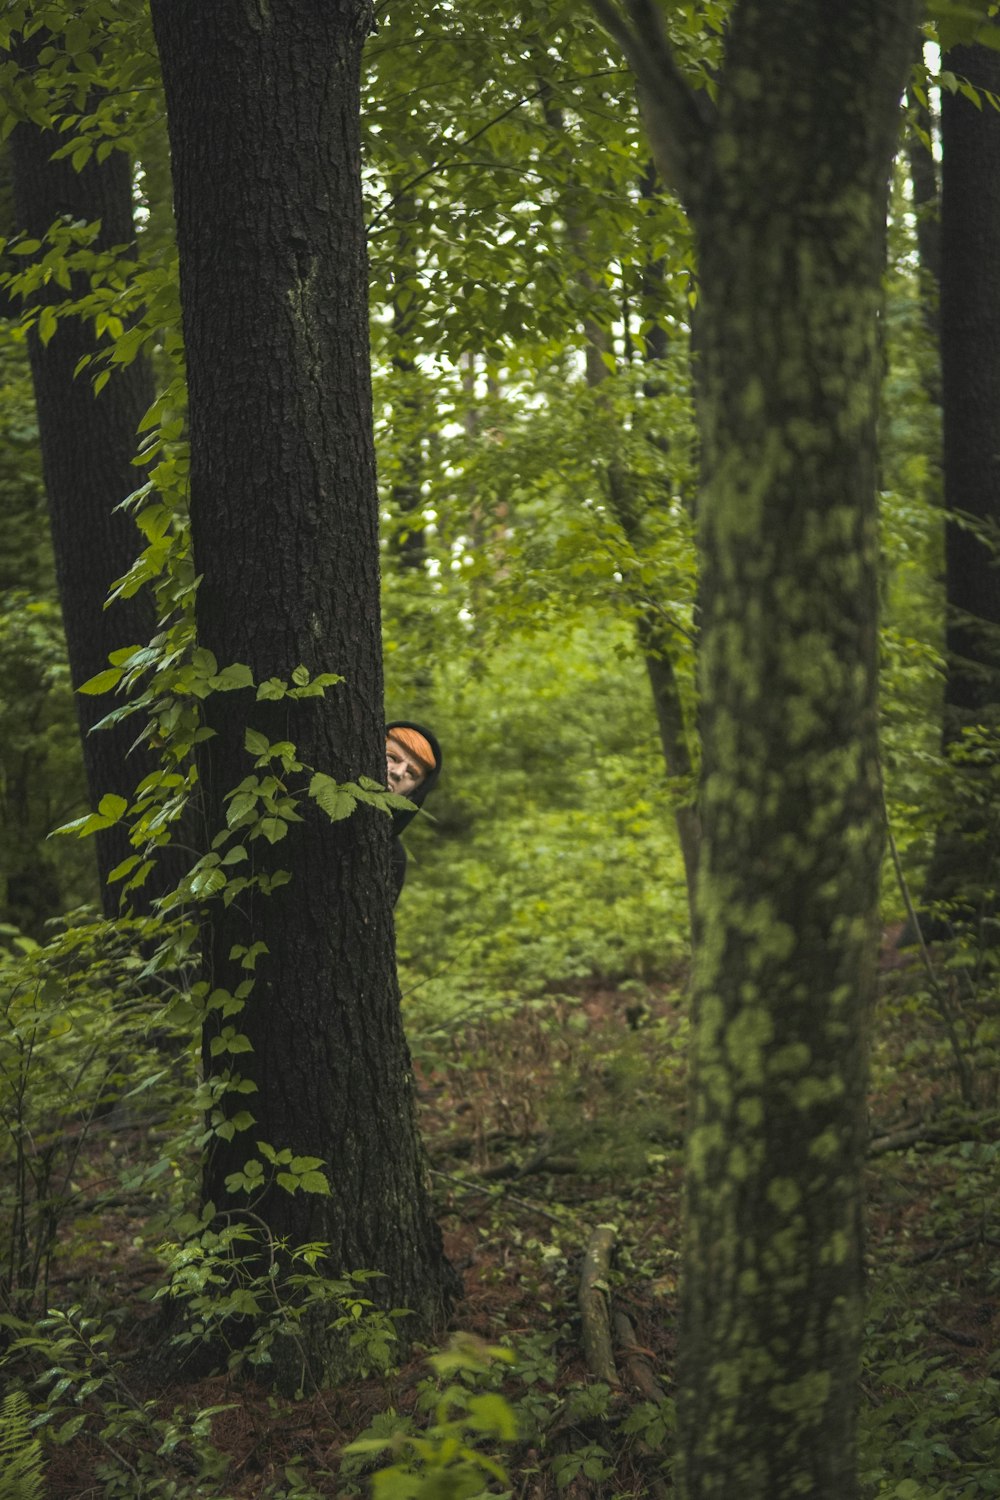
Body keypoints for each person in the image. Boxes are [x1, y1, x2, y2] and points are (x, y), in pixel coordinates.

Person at [385, 721, 441, 905]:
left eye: (412, 773)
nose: (398, 773)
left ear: (414, 792)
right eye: (392, 758)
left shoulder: (393, 858)